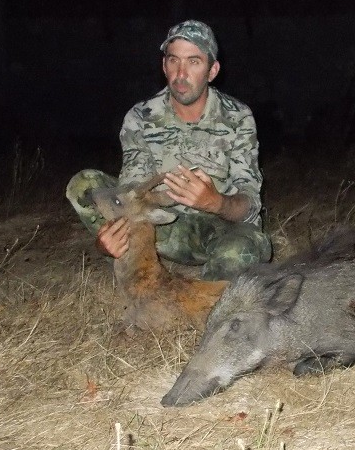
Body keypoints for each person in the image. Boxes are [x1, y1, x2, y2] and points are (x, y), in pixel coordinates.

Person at [66, 20, 272, 280]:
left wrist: (216, 202)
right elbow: (133, 189)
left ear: (212, 70)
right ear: (164, 66)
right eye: (174, 60)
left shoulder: (238, 117)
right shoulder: (140, 116)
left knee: (240, 254)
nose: (181, 73)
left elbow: (250, 204)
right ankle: (129, 254)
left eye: (194, 61)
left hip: (218, 230)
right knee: (83, 184)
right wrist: (108, 237)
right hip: (160, 227)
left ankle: (209, 295)